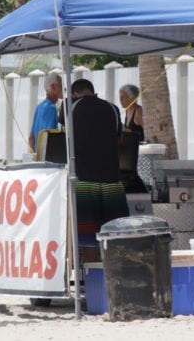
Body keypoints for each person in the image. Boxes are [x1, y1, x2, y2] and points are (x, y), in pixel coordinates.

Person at [67, 78, 129, 261]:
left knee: (87, 235)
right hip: (111, 179)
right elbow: (120, 140)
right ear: (93, 91)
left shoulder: (71, 108)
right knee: (116, 231)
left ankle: (90, 276)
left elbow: (65, 137)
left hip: (84, 179)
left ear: (74, 93)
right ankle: (116, 273)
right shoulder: (112, 108)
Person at [29, 72, 63, 155]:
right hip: (47, 157)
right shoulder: (51, 108)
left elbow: (31, 138)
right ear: (53, 87)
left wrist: (35, 156)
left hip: (38, 156)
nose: (63, 89)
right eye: (61, 86)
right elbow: (50, 137)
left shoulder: (39, 106)